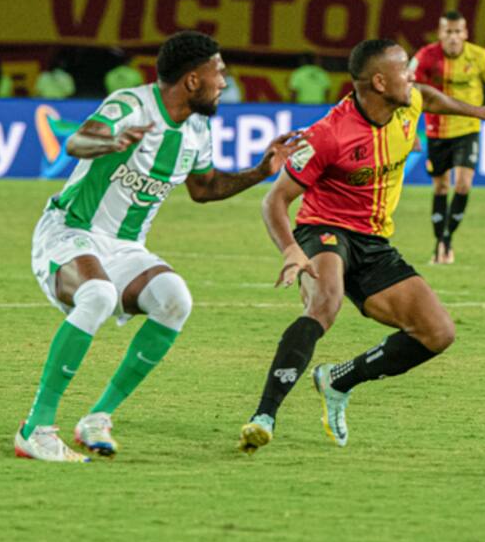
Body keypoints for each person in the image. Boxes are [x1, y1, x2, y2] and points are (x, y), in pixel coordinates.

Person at [238, 38, 485, 453]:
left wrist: (481, 113)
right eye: (403, 70)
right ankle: (264, 415)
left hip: (374, 240)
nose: (412, 77)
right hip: (324, 229)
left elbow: (427, 96)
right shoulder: (328, 134)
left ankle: (338, 380)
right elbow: (274, 200)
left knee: (438, 332)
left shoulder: (408, 104)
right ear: (379, 82)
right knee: (325, 302)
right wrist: (290, 249)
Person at [15, 31, 303, 462]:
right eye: (218, 72)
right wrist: (109, 142)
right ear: (192, 80)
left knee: (175, 300)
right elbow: (76, 142)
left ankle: (97, 417)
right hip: (69, 231)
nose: (224, 82)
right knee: (98, 294)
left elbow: (205, 189)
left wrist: (261, 171)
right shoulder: (130, 105)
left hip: (125, 247)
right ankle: (35, 429)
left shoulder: (198, 129)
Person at [410, 11, 485, 263]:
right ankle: (439, 243)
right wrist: (410, 129)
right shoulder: (425, 56)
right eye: (448, 32)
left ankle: (446, 240)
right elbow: (408, 91)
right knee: (441, 186)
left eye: (457, 32)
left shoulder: (480, 56)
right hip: (437, 130)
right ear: (440, 34)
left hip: (468, 128)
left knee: (463, 184)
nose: (453, 37)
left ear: (465, 33)